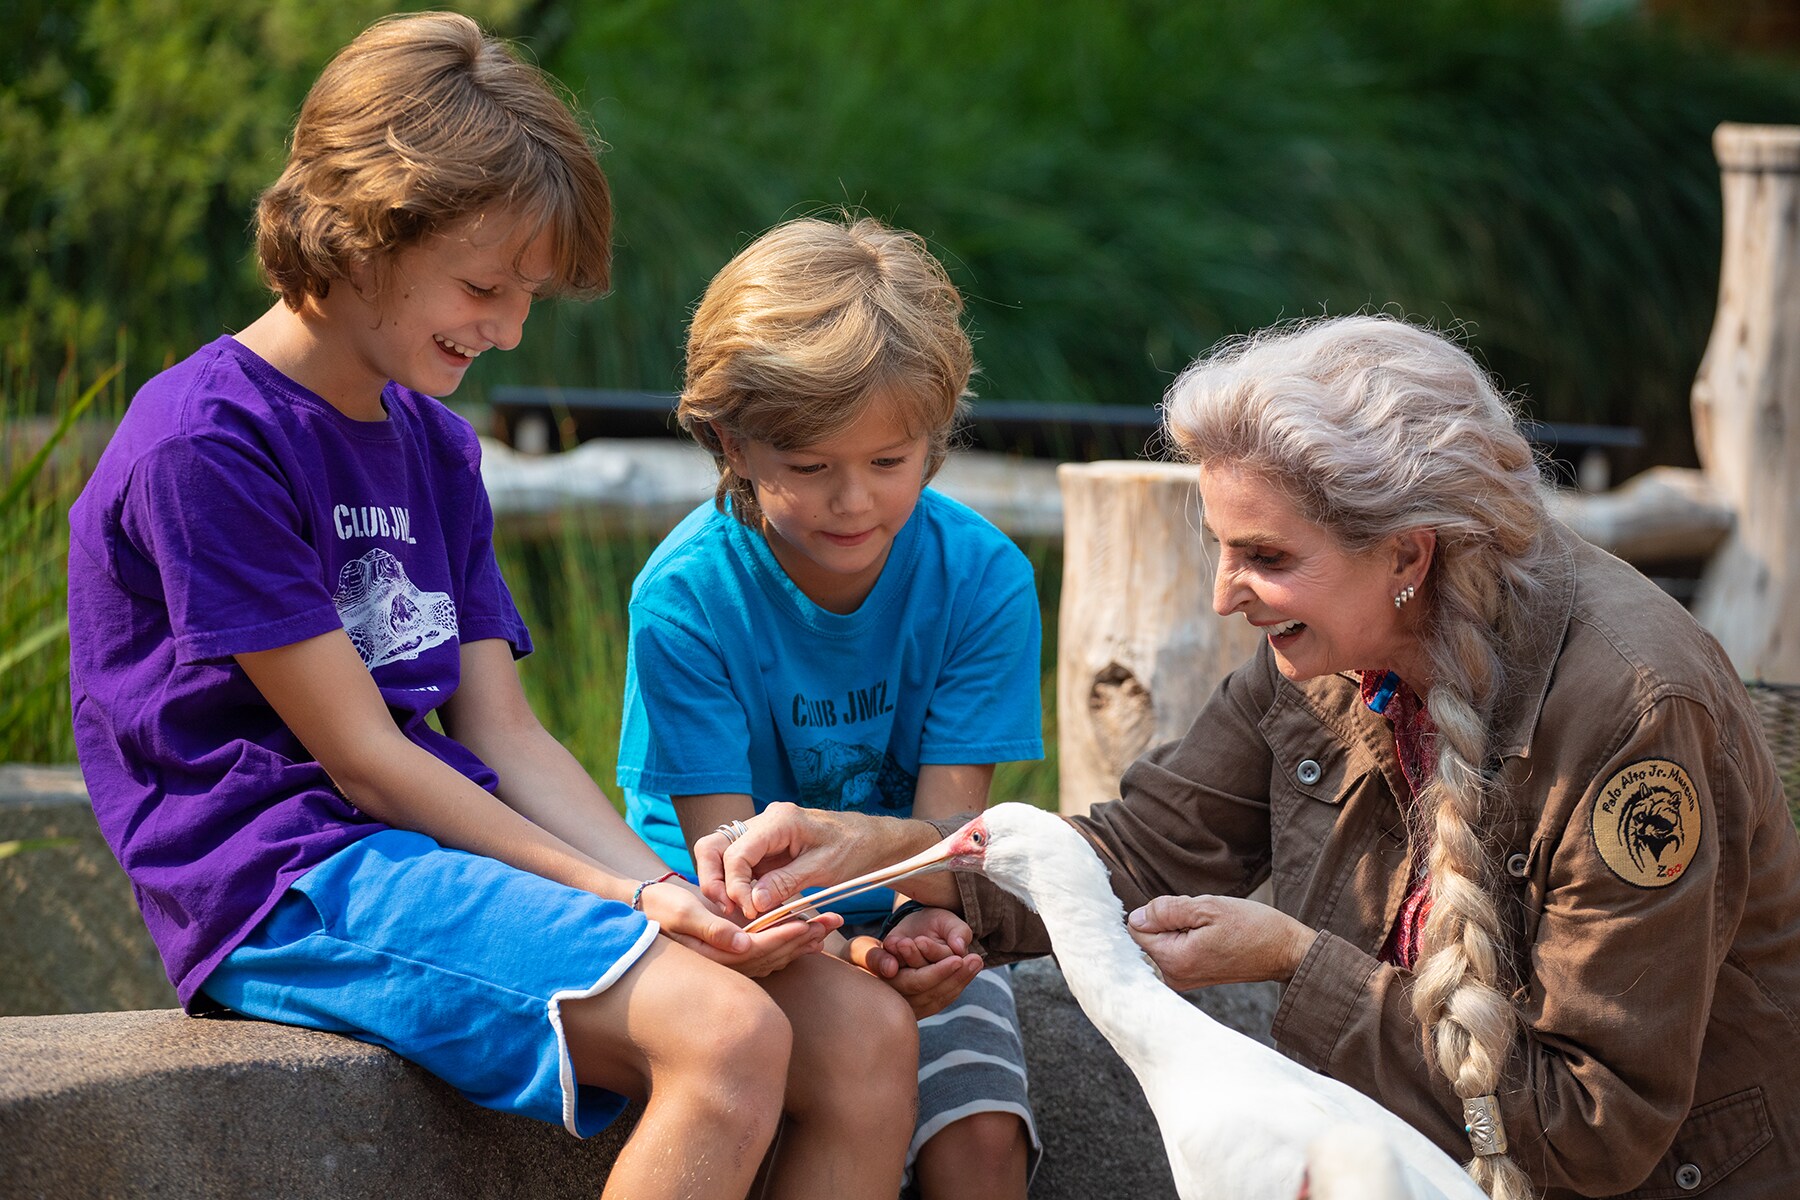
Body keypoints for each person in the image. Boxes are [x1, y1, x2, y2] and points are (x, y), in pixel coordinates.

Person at [66, 15, 919, 1199]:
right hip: (288, 882)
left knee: (867, 1039)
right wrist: (633, 897)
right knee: (728, 1035)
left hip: (421, 845)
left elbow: (503, 734)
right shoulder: (208, 441)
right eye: (483, 285)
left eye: (530, 295)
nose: (510, 327)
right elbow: (364, 761)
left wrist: (681, 894)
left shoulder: (432, 444)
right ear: (365, 230)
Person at [698, 314, 1800, 1199]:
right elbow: (1140, 851)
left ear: (1407, 552)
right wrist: (904, 866)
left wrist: (1292, 960)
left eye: (1266, 557)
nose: (1225, 597)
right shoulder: (1327, 651)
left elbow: (1587, 1133)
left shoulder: (1634, 715)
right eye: (1220, 548)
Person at [617, 215, 1045, 1198]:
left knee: (980, 1134)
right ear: (731, 440)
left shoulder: (982, 580)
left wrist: (922, 929)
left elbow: (942, 841)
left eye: (889, 463)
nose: (855, 500)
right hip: (721, 927)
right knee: (861, 1042)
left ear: (935, 439)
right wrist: (856, 946)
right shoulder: (686, 598)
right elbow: (735, 877)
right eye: (811, 467)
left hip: (891, 905)